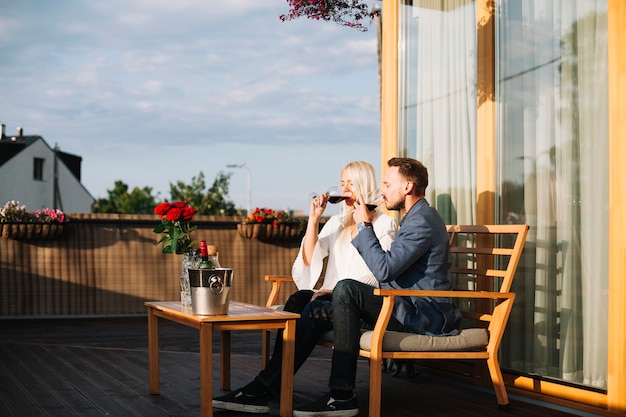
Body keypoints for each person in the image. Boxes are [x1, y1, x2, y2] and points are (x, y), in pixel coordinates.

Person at [213, 160, 398, 414]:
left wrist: (332, 292)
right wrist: (313, 220)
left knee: (311, 311)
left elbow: (375, 275)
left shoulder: (383, 224)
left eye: (350, 184)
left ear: (364, 185)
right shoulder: (338, 223)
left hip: (357, 307)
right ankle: (269, 385)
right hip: (333, 300)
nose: (344, 190)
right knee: (297, 301)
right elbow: (310, 261)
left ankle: (264, 388)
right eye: (342, 183)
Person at [290, 157, 462, 417]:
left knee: (346, 289)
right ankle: (270, 384)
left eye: (387, 184)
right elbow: (388, 271)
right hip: (402, 306)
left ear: (407, 186)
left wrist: (364, 225)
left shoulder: (422, 221)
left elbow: (383, 269)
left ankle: (341, 395)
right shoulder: (414, 217)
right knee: (306, 302)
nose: (382, 191)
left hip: (420, 316)